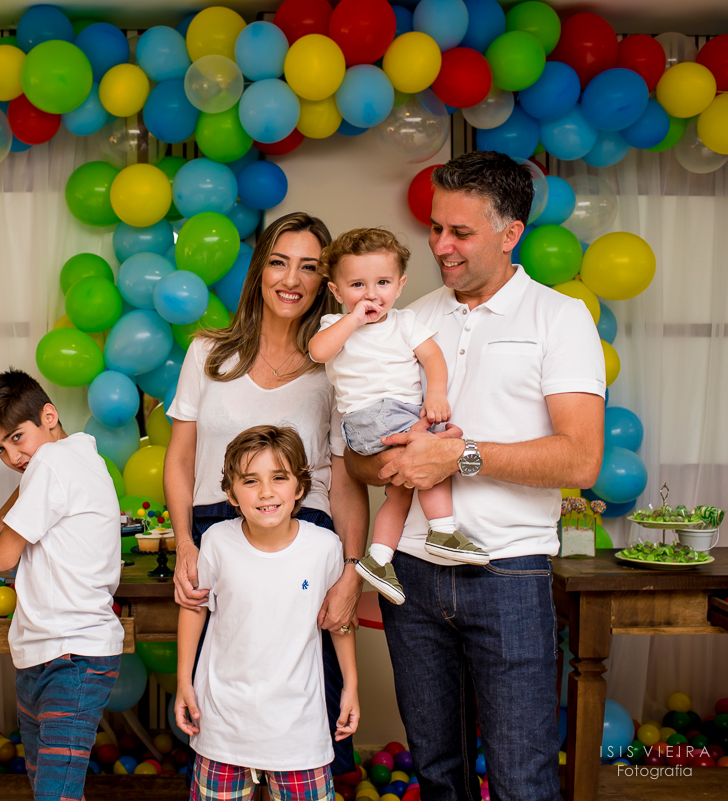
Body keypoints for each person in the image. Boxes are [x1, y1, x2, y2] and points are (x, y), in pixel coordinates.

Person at [345, 151, 605, 801]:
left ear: (510, 231)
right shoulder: (407, 317)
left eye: (460, 232)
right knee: (437, 773)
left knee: (523, 777)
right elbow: (352, 454)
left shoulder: (559, 317)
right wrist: (390, 458)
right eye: (435, 228)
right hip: (412, 573)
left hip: (509, 571)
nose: (440, 245)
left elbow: (581, 459)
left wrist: (458, 456)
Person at [165, 211, 368, 774]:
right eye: (278, 262)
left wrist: (352, 569)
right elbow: (180, 459)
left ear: (325, 282)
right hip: (214, 530)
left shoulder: (338, 365)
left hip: (310, 540)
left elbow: (346, 476)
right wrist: (186, 540)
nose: (291, 279)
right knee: (217, 708)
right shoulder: (209, 353)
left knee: (314, 709)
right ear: (258, 271)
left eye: (309, 267)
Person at [175, 425, 359, 801]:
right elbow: (194, 608)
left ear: (300, 487)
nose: (266, 492)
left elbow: (338, 620)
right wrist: (183, 680)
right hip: (223, 731)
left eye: (279, 477)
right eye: (250, 481)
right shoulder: (216, 542)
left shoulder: (325, 547)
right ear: (230, 493)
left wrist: (351, 685)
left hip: (299, 735)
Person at [309, 228, 488, 607]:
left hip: (402, 414)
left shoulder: (405, 323)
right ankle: (442, 530)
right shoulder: (334, 326)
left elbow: (433, 358)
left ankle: (379, 558)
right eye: (357, 285)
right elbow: (320, 352)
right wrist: (353, 319)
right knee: (432, 454)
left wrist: (436, 394)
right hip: (369, 417)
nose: (371, 294)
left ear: (400, 285)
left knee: (402, 489)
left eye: (383, 283)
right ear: (336, 292)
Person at [0, 369, 124, 801]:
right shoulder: (74, 458)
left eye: (18, 438)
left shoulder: (54, 462)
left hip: (71, 653)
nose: (13, 456)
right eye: (0, 449)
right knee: (52, 789)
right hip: (45, 650)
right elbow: (1, 524)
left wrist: (24, 489)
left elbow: (1, 556)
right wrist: (26, 480)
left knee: (54, 793)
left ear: (49, 416)